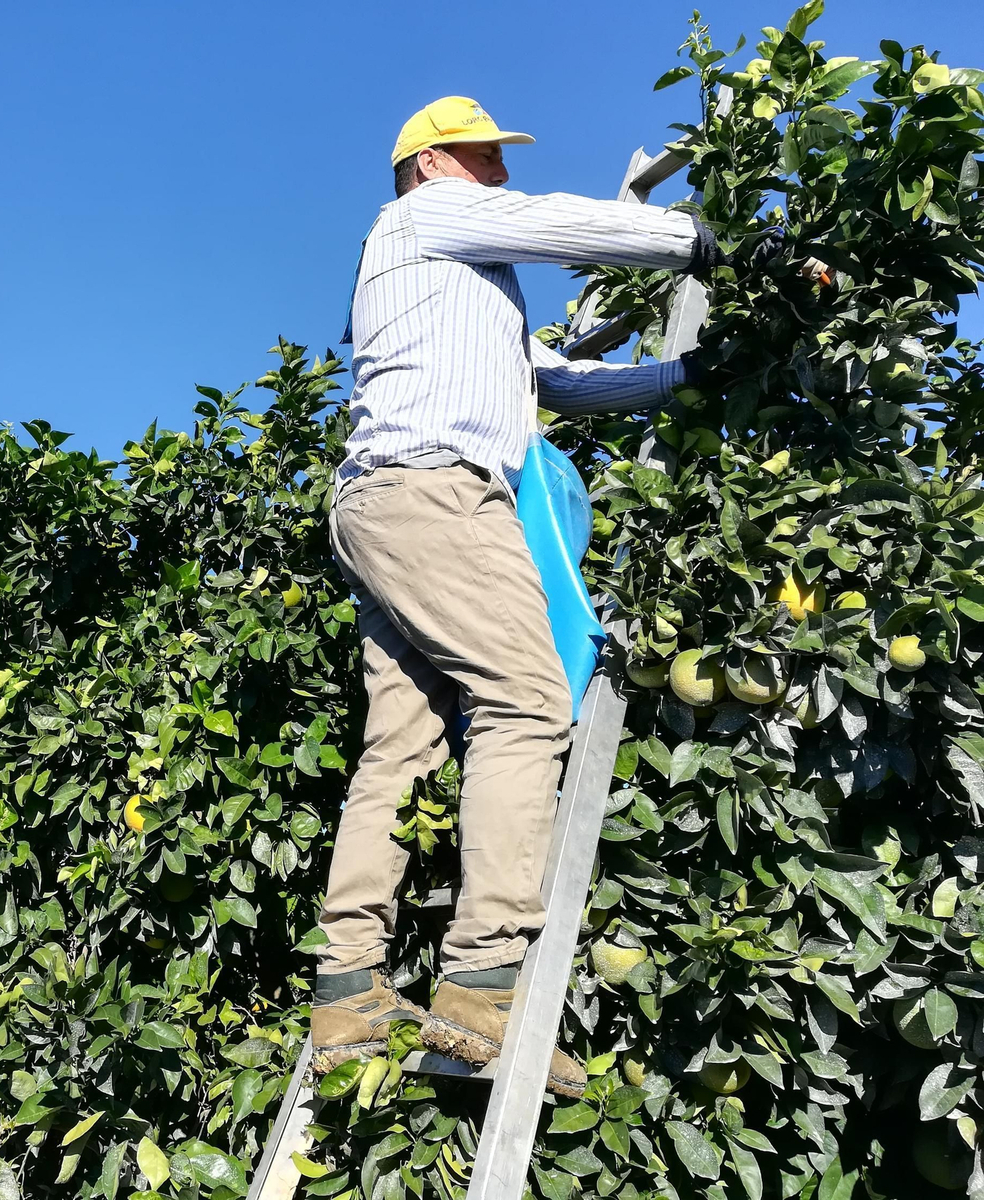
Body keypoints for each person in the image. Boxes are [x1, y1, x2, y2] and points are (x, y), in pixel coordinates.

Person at [309, 95, 779, 1096]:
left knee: (398, 748)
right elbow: (556, 221)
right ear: (429, 164)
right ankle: (481, 993)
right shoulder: (421, 218)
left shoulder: (463, 292)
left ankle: (347, 990)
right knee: (524, 701)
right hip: (434, 493)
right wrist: (705, 241)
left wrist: (687, 375)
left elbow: (555, 382)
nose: (498, 177)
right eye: (483, 161)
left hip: (381, 504)